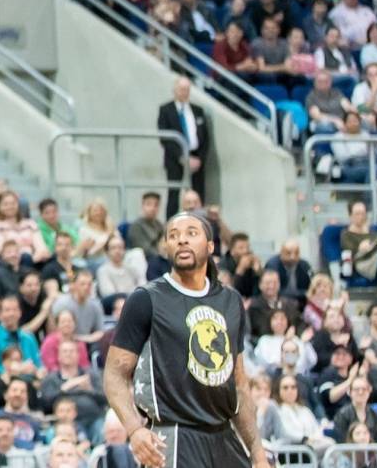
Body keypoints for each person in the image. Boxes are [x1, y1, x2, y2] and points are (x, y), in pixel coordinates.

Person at [105, 213, 266, 468]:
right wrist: (134, 430)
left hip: (224, 435)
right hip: (174, 434)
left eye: (191, 233)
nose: (181, 240)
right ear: (167, 247)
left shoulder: (232, 301)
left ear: (210, 246)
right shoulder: (146, 299)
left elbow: (239, 386)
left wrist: (257, 453)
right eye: (173, 235)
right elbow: (114, 373)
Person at [156, 78, 210, 206]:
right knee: (174, 194)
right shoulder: (166, 110)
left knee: (198, 194)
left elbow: (205, 137)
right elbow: (165, 137)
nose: (184, 93)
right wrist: (182, 157)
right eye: (181, 89)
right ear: (175, 90)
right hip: (175, 157)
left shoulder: (197, 110)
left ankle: (197, 223)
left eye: (187, 90)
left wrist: (200, 158)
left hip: (196, 157)